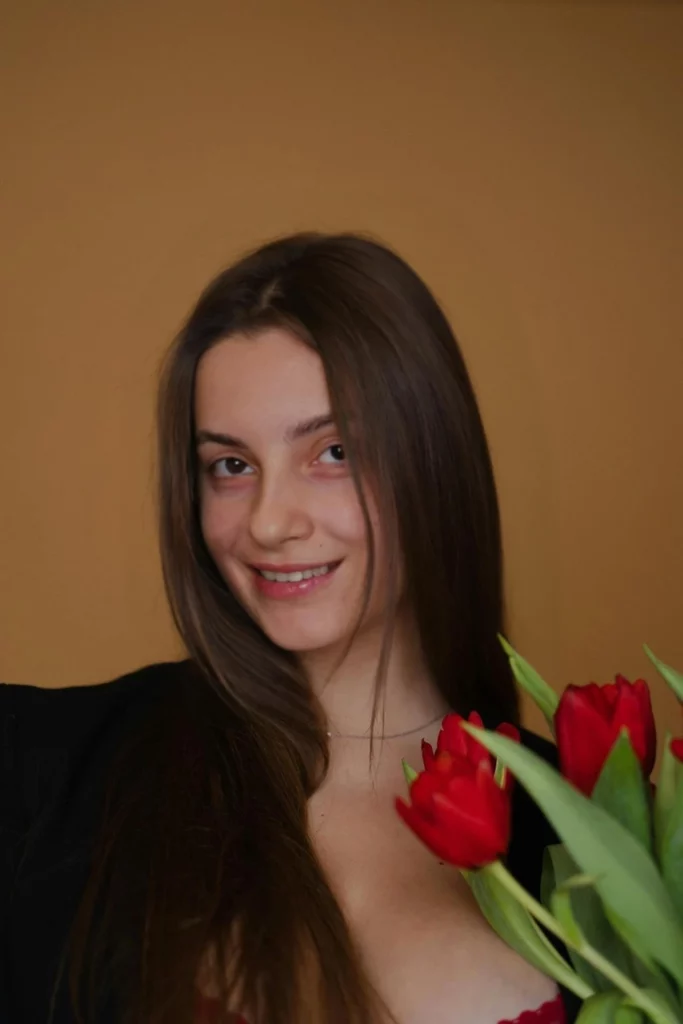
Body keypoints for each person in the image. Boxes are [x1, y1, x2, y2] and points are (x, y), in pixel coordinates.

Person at [1, 233, 573, 1024]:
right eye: (229, 467)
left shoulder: (598, 842)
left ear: (431, 461)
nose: (268, 523)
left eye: (331, 451)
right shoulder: (42, 768)